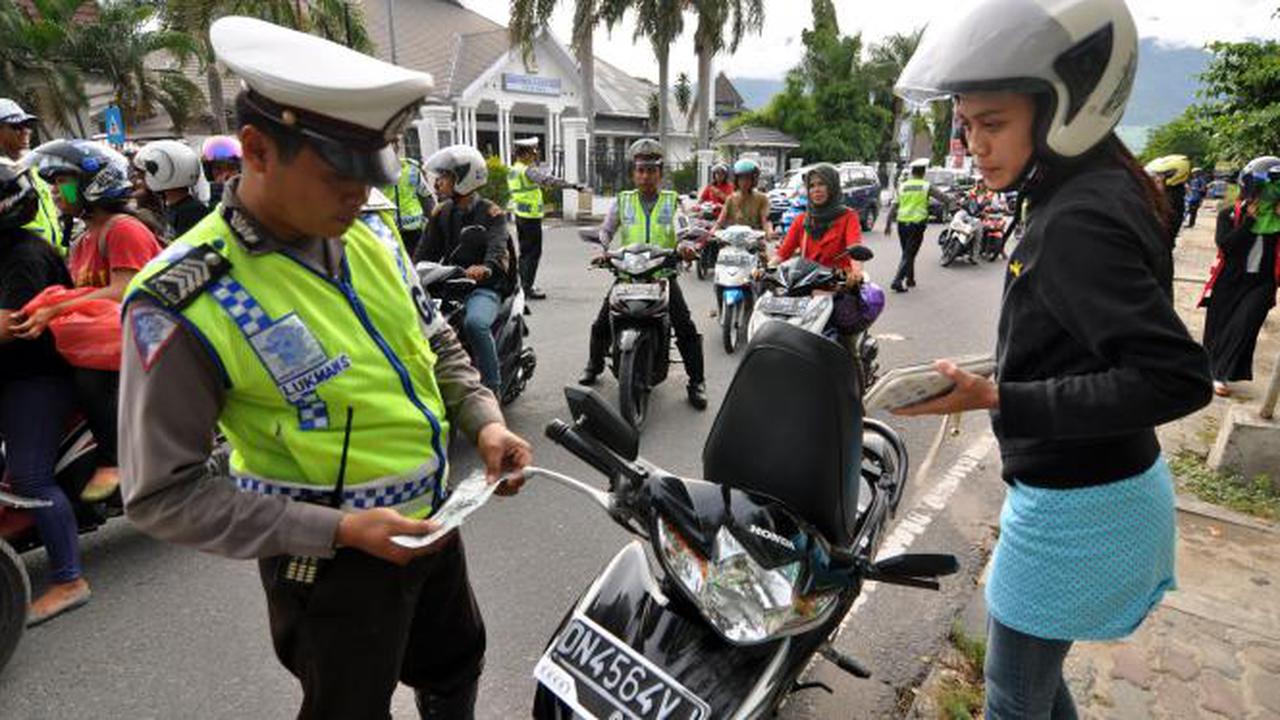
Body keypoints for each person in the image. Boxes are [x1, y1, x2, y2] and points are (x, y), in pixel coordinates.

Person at [116, 18, 532, 719]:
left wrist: (485, 421)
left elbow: (434, 341)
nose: (358, 196)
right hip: (332, 568)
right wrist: (339, 531)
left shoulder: (368, 234)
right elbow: (163, 496)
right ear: (256, 149)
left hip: (433, 524)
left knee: (456, 663)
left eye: (371, 174)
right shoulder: (182, 299)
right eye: (340, 174)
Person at [892, 1, 1213, 718]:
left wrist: (1001, 398)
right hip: (1083, 486)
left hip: (1083, 505)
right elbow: (1078, 336)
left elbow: (1176, 378)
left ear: (1066, 107)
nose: (973, 144)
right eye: (967, 125)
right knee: (1033, 688)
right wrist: (1003, 379)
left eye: (993, 123)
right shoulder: (1084, 188)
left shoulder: (1079, 219)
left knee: (1012, 698)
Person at [19, 139, 162, 504]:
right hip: (108, 340)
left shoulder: (121, 229)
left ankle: (118, 460)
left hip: (145, 334)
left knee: (89, 378)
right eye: (51, 183)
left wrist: (57, 309)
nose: (54, 190)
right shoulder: (83, 240)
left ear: (93, 185)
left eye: (63, 181)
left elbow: (125, 290)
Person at [0, 157, 90, 624]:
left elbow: (11, 324)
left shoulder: (24, 255)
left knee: (31, 480)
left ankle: (69, 579)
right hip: (11, 377)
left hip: (36, 378)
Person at [579, 138, 707, 410]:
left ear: (660, 173)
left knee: (685, 327)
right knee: (602, 322)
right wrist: (602, 247)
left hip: (662, 275)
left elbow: (683, 229)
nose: (645, 175)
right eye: (640, 170)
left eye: (651, 170)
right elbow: (606, 230)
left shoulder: (674, 201)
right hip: (628, 275)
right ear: (633, 173)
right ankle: (594, 364)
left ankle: (696, 381)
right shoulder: (622, 201)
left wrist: (685, 247)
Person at [416, 144, 511, 396]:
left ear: (464, 179)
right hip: (450, 283)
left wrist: (486, 268)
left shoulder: (491, 213)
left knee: (475, 324)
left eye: (445, 176)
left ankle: (492, 389)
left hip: (483, 287)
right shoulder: (441, 212)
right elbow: (425, 252)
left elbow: (498, 248)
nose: (438, 182)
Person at [1199, 156, 1280, 397]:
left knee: (1245, 325)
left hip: (1262, 283)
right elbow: (1226, 246)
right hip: (1229, 280)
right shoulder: (1229, 215)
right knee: (1220, 325)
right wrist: (1247, 223)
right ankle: (1211, 369)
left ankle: (1221, 373)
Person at [508, 137, 579, 300]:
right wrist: (572, 186)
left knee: (525, 252)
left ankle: (521, 285)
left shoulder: (514, 169)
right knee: (533, 253)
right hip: (530, 216)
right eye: (532, 153)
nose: (534, 156)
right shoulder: (527, 170)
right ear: (525, 154)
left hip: (520, 214)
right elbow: (548, 180)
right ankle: (527, 288)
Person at [774, 163, 863, 280]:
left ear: (832, 186)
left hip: (838, 285)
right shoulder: (801, 220)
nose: (816, 190)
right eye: (811, 186)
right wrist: (766, 269)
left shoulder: (848, 217)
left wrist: (856, 273)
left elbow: (854, 249)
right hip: (805, 285)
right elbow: (783, 253)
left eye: (821, 184)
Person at [0, 98, 62, 253]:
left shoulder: (36, 166)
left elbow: (68, 192)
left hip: (52, 257)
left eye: (27, 125)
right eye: (17, 126)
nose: (26, 131)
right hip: (19, 260)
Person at [133, 140, 210, 242]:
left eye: (142, 175)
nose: (137, 182)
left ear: (164, 172)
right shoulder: (172, 207)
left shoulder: (192, 212)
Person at [891, 158, 950, 292]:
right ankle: (897, 280)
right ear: (923, 172)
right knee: (910, 253)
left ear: (912, 172)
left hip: (901, 223)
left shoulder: (903, 185)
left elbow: (894, 205)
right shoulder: (925, 185)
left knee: (907, 252)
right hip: (917, 224)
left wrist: (889, 223)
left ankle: (910, 279)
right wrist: (952, 203)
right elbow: (943, 198)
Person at [382, 143, 432, 257]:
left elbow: (425, 196)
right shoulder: (375, 171)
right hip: (388, 230)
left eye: (391, 144)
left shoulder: (412, 169)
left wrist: (433, 225)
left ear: (397, 147)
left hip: (414, 231)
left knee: (415, 267)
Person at [713, 158, 773, 235]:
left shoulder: (762, 198)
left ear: (754, 180)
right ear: (736, 180)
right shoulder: (730, 199)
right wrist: (712, 232)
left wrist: (769, 232)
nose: (745, 182)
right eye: (741, 178)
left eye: (748, 178)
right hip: (733, 238)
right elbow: (720, 221)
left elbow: (765, 220)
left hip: (754, 240)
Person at [1146, 154, 1190, 252]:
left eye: (1157, 177)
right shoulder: (1170, 195)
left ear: (1171, 177)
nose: (1153, 181)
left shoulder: (1170, 202)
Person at [201, 135, 242, 207]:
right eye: (218, 168)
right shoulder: (203, 198)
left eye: (231, 168)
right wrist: (218, 189)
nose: (225, 174)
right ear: (209, 172)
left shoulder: (250, 197)